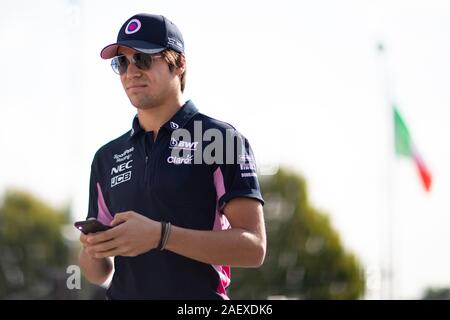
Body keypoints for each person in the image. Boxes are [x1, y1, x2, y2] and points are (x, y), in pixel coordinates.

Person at [78, 13, 266, 300]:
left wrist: (160, 235)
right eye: (122, 62)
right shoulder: (107, 156)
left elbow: (254, 247)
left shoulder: (220, 138)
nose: (131, 72)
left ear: (178, 63)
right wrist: (93, 249)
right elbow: (99, 273)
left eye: (142, 59)